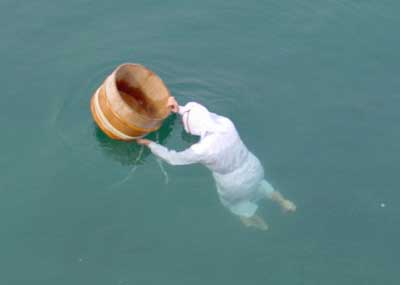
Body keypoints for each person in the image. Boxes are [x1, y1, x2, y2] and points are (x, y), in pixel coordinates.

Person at [136, 97, 296, 230]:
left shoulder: (202, 149)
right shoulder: (226, 124)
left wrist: (150, 144)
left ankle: (256, 223)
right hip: (253, 166)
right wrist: (179, 109)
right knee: (260, 184)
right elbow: (202, 115)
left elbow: (173, 158)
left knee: (235, 204)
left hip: (233, 183)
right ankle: (284, 202)